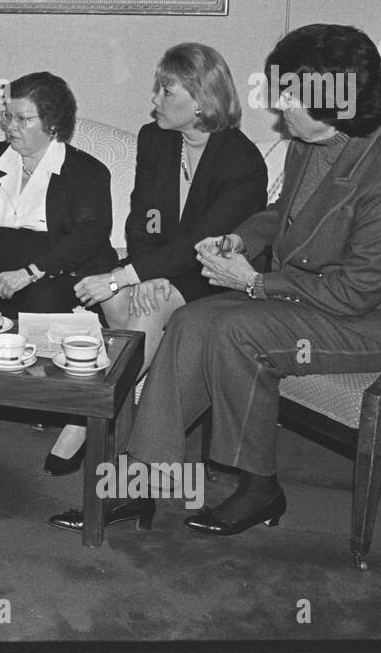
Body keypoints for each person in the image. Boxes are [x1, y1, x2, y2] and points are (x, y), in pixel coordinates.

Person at [53, 24, 381, 535]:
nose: (277, 102)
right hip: (320, 295)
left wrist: (253, 284)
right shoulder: (313, 140)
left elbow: (355, 293)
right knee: (193, 321)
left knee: (237, 331)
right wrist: (240, 240)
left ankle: (260, 487)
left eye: (288, 92)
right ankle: (140, 481)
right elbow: (282, 212)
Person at [43, 44, 267, 485]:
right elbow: (141, 218)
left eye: (167, 92)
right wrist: (141, 269)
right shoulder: (156, 139)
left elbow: (204, 241)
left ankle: (87, 417)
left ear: (202, 101)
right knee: (125, 300)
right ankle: (121, 425)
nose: (155, 101)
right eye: (157, 91)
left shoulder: (241, 162)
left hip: (215, 272)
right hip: (159, 265)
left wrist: (133, 276)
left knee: (139, 306)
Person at [0, 71, 116, 318]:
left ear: (53, 124)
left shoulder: (86, 171)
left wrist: (30, 273)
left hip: (49, 274)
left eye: (23, 119)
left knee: (45, 299)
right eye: (8, 116)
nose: (11, 126)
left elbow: (90, 235)